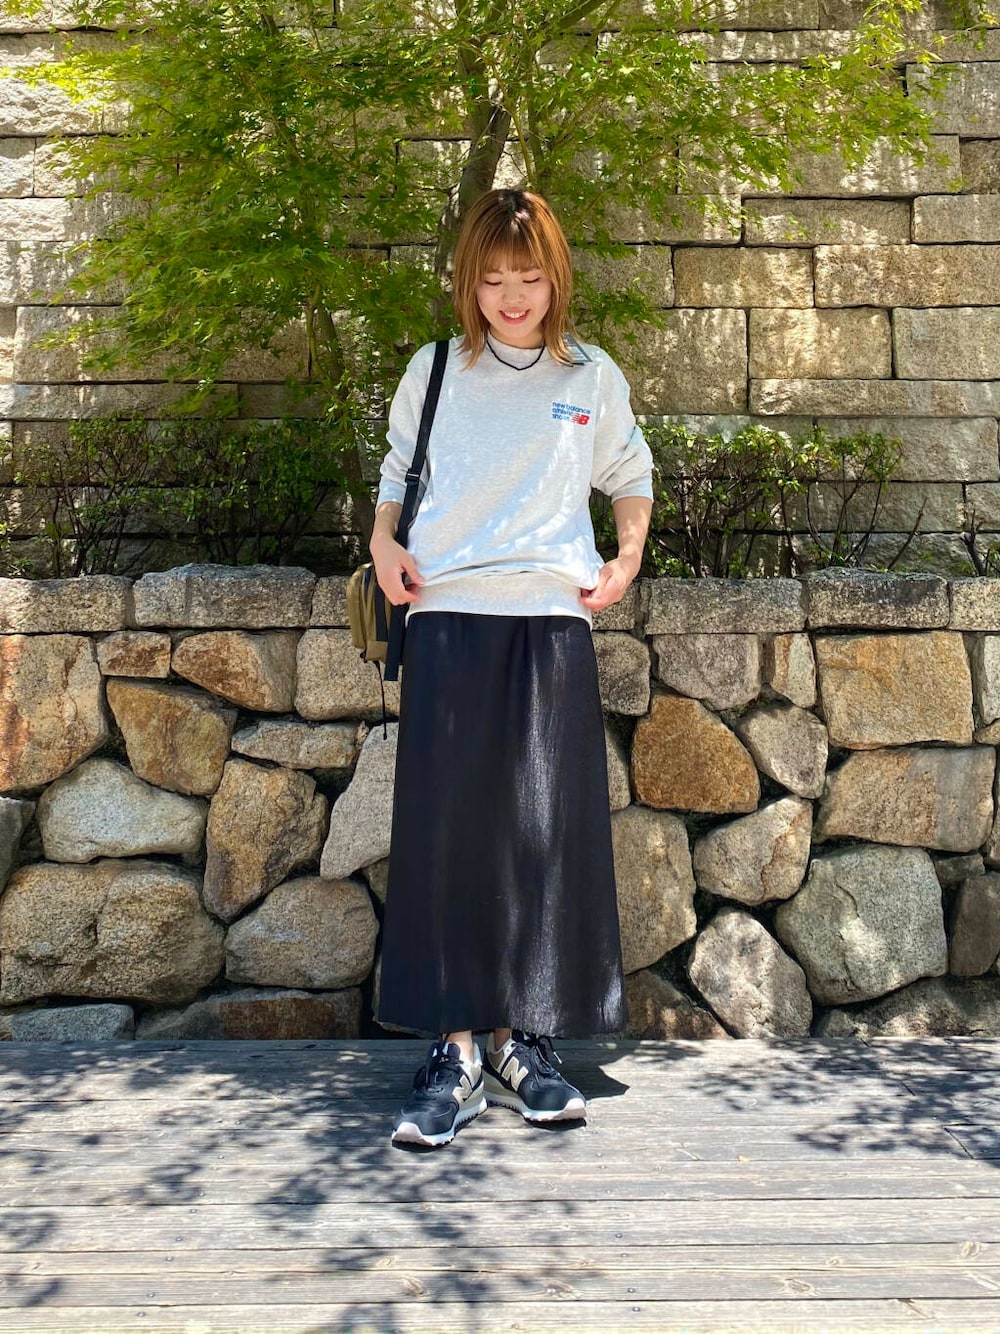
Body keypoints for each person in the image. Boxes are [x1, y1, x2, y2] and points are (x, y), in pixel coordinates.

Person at [370, 188, 653, 1148]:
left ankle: (522, 1042)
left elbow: (631, 473)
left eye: (528, 276)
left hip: (549, 621)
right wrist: (383, 545)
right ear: (470, 283)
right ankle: (454, 1053)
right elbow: (396, 476)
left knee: (542, 834)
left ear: (555, 277)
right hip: (447, 615)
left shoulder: (591, 375)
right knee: (448, 835)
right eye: (492, 279)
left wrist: (626, 559)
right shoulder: (434, 371)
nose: (512, 295)